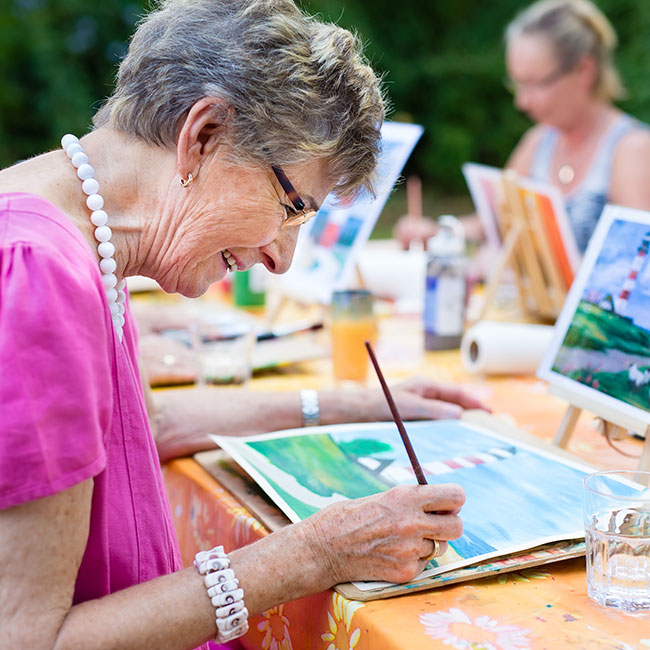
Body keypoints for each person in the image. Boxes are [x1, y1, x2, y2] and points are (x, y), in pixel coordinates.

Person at [0, 1, 468, 648]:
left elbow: (141, 431)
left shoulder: (73, 233)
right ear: (205, 135)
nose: (281, 258)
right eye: (292, 208)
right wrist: (313, 553)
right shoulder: (40, 273)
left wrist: (346, 405)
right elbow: (32, 639)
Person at [395, 0, 650, 254]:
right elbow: (492, 220)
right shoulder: (539, 142)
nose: (521, 101)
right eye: (517, 85)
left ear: (584, 70)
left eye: (535, 84)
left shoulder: (631, 150)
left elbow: (640, 260)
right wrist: (440, 232)